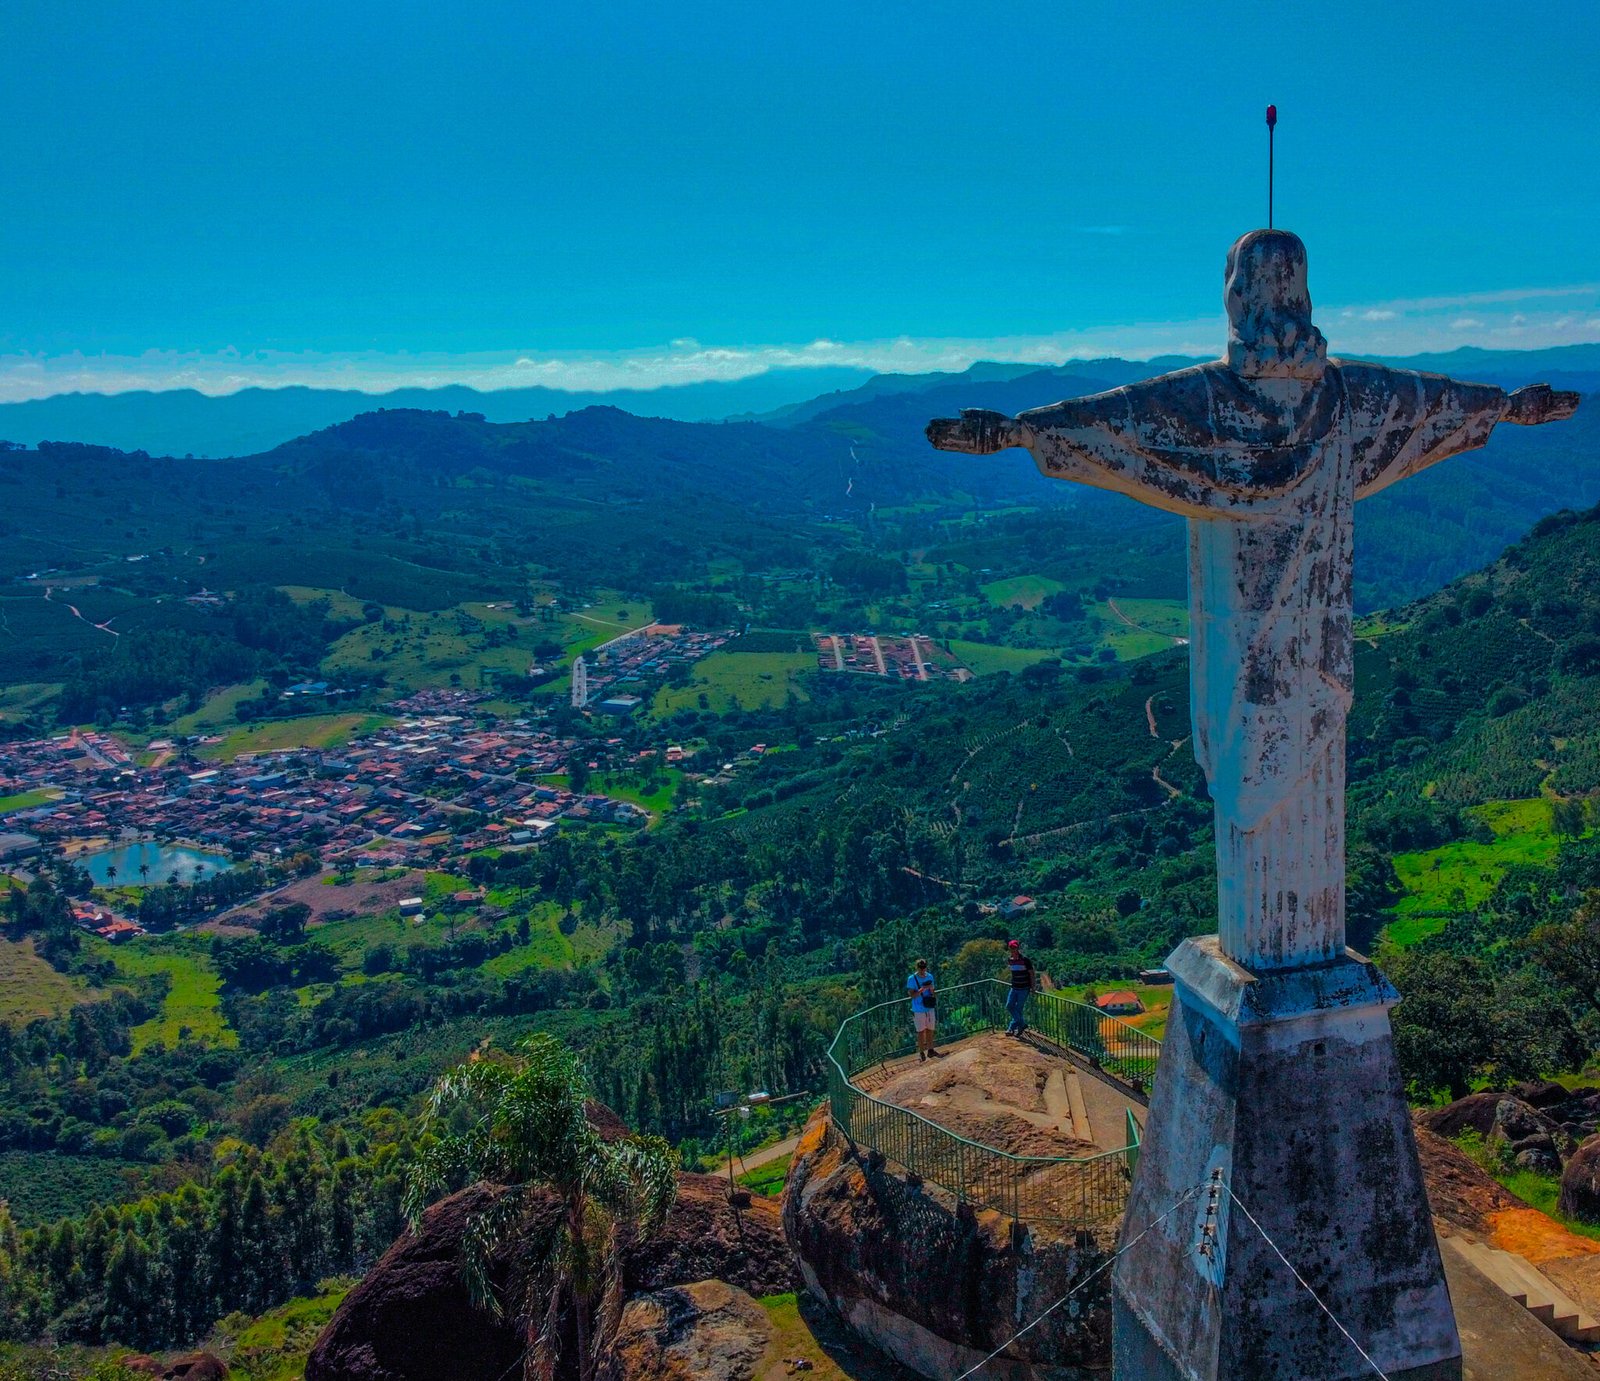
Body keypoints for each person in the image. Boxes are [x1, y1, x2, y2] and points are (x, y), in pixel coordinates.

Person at [907, 958, 941, 1061]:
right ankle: (921, 1052)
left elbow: (934, 993)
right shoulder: (912, 979)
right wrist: (921, 990)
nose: (922, 969)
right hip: (918, 1009)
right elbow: (912, 995)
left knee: (930, 1029)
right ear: (917, 967)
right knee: (920, 1031)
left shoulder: (930, 976)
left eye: (924, 967)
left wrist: (931, 989)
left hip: (929, 1007)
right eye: (920, 967)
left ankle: (931, 1049)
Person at [1004, 940, 1035, 1037]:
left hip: (1024, 989)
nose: (1013, 949)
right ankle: (1022, 1025)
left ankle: (1011, 1028)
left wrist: (1033, 987)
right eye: (1012, 948)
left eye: (1015, 947)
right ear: (1009, 949)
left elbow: (1031, 973)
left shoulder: (1025, 960)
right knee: (1009, 1006)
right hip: (1014, 987)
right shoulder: (1010, 960)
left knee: (1018, 1009)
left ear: (1018, 948)